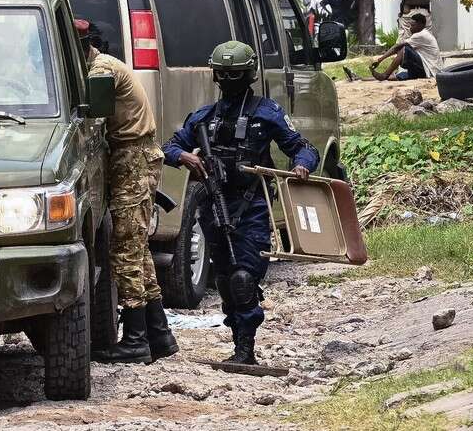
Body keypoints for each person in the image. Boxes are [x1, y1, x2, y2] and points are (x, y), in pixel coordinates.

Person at [163, 41, 319, 365]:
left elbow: (304, 148)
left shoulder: (267, 113)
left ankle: (246, 351)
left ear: (247, 75)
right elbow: (169, 147)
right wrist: (186, 158)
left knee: (244, 279)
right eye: (225, 75)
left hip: (252, 208)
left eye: (234, 75)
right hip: (214, 209)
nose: (229, 81)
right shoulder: (204, 118)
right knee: (223, 279)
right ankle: (238, 343)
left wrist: (300, 166)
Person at [78, 19, 178, 364]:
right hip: (130, 156)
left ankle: (136, 339)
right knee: (137, 248)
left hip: (132, 156)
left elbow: (90, 119)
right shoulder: (94, 65)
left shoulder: (99, 69)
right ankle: (158, 333)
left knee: (126, 249)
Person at [371, 12, 442, 81]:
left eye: (412, 25)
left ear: (420, 25)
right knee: (399, 76)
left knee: (404, 49)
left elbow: (396, 47)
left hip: (429, 71)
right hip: (428, 70)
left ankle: (385, 75)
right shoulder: (425, 34)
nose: (410, 28)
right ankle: (376, 77)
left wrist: (380, 59)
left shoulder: (421, 35)